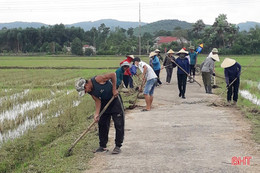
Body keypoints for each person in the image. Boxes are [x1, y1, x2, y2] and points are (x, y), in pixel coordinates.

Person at [75, 73, 124, 154]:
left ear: (86, 84)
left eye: (85, 90)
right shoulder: (90, 91)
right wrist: (96, 114)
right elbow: (97, 101)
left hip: (114, 100)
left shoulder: (98, 79)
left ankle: (118, 146)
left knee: (119, 123)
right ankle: (102, 146)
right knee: (102, 123)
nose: (86, 92)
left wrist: (114, 89)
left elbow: (113, 75)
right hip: (104, 103)